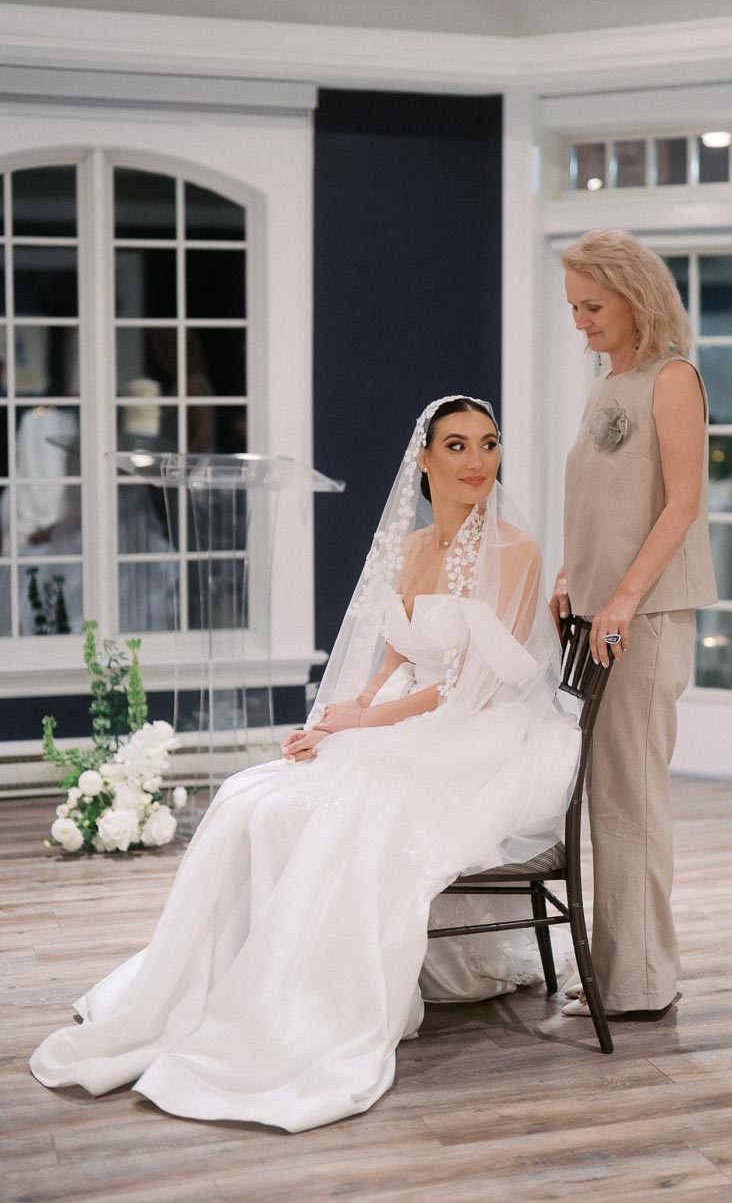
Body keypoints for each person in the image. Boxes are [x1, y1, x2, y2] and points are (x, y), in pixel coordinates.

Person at [31, 396, 580, 1133]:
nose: (476, 462)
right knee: (251, 795)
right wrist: (331, 720)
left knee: (353, 805)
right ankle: (221, 982)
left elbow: (465, 688)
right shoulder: (415, 551)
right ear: (423, 460)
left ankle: (303, 1006)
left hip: (477, 732)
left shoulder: (514, 550)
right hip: (413, 716)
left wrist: (363, 722)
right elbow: (397, 661)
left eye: (488, 444)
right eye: (456, 446)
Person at [551, 231, 717, 1021]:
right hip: (598, 614)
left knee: (631, 800)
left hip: (640, 621)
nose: (579, 321)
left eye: (592, 305)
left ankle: (642, 983)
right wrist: (570, 576)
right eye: (573, 307)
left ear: (634, 296)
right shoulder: (606, 381)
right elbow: (601, 501)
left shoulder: (671, 378)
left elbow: (682, 504)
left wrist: (619, 600)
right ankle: (619, 972)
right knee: (608, 798)